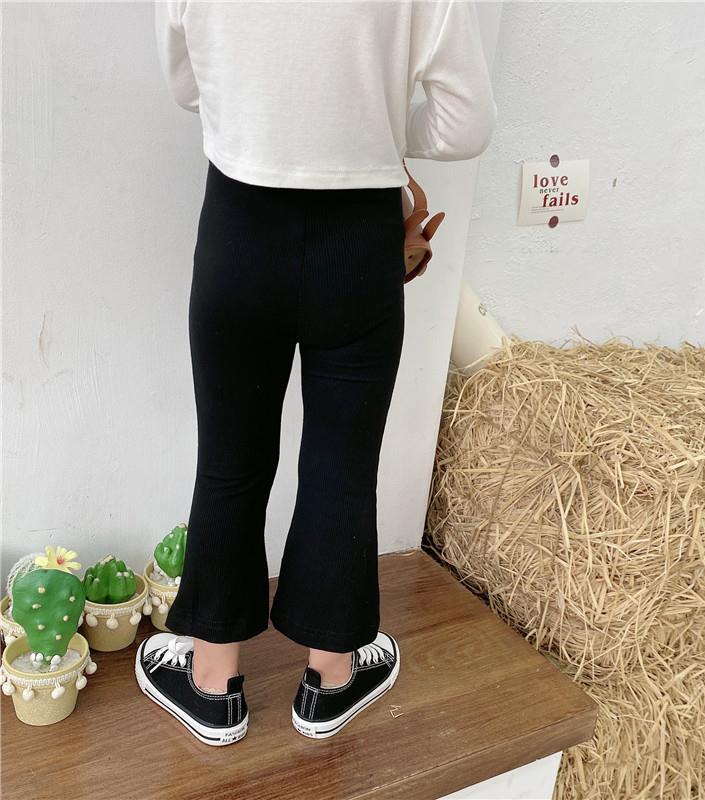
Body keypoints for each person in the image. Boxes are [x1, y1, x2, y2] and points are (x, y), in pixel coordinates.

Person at [136, 0, 497, 746]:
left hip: (239, 227)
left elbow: (185, 85)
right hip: (358, 240)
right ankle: (331, 679)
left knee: (230, 459)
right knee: (342, 462)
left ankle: (212, 685)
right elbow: (466, 124)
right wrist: (375, 123)